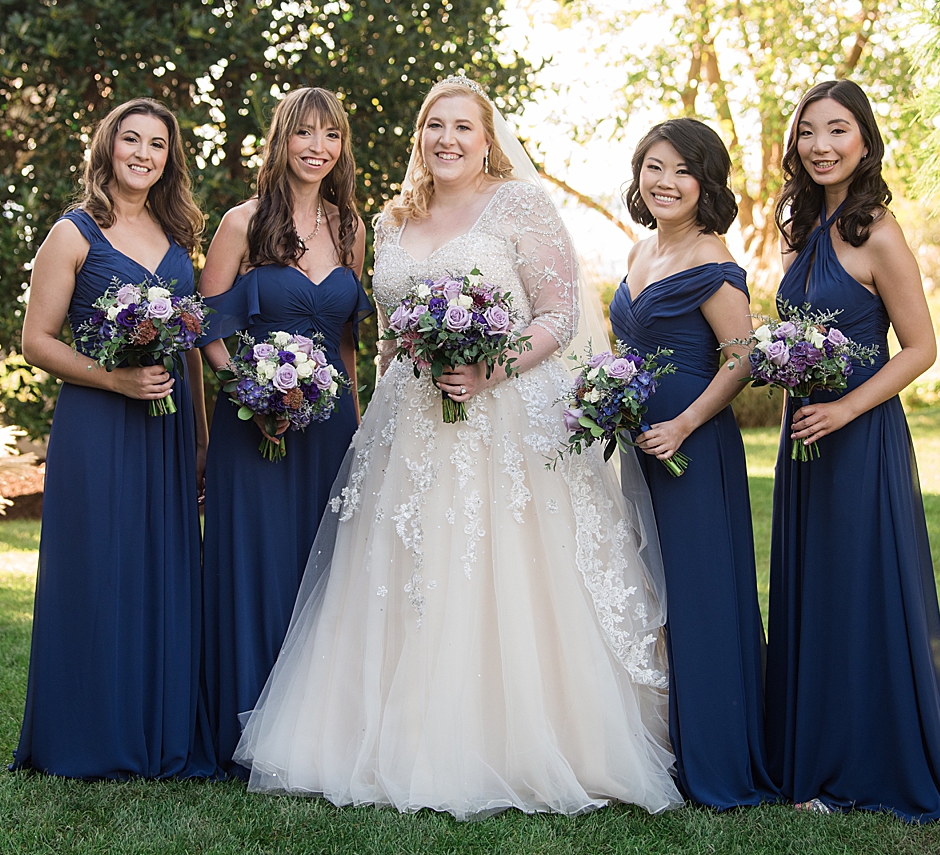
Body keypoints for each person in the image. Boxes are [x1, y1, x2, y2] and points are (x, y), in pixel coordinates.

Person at [232, 76, 682, 819]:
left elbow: (560, 311)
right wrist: (381, 397)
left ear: (488, 138)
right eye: (433, 124)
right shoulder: (387, 218)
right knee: (406, 572)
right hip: (407, 419)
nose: (447, 138)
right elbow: (381, 333)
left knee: (507, 573)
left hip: (503, 416)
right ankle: (394, 736)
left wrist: (493, 365)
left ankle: (523, 741)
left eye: (462, 127)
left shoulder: (519, 206)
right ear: (420, 136)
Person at [764, 79, 940, 821]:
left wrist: (843, 406)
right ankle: (809, 759)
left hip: (860, 436)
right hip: (804, 437)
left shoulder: (879, 231)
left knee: (857, 591)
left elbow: (922, 347)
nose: (820, 145)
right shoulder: (810, 227)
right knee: (814, 591)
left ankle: (859, 766)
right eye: (808, 131)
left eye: (837, 130)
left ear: (865, 142)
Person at [11, 98, 214, 779]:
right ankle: (90, 733)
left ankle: (159, 727)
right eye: (132, 139)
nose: (144, 154)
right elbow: (36, 340)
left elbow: (190, 344)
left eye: (158, 144)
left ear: (168, 158)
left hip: (171, 424)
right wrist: (113, 380)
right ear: (108, 146)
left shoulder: (179, 235)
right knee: (99, 570)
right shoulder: (73, 232)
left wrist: (203, 438)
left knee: (163, 569)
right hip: (99, 423)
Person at [196, 87, 371, 777]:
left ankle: (312, 736)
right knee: (256, 566)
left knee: (321, 571)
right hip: (255, 424)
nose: (317, 146)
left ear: (341, 146)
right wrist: (252, 388)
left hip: (328, 428)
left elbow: (348, 339)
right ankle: (240, 729)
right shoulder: (241, 222)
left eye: (331, 134)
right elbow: (206, 328)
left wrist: (356, 426)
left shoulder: (350, 228)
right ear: (283, 140)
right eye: (305, 132)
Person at [609, 118, 778, 809]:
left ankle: (715, 754)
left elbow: (742, 359)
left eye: (682, 170)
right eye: (654, 166)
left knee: (698, 594)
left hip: (692, 445)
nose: (666, 181)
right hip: (639, 445)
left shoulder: (713, 260)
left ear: (705, 182)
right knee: (650, 592)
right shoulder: (638, 250)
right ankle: (662, 741)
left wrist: (682, 422)